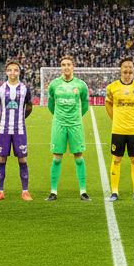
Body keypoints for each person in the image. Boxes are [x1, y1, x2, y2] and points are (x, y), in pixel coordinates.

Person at [45, 54, 91, 201]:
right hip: (58, 124)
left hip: (75, 125)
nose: (66, 67)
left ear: (73, 66)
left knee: (78, 157)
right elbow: (51, 104)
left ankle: (83, 192)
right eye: (63, 64)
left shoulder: (81, 85)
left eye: (68, 64)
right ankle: (53, 192)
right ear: (61, 67)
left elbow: (84, 105)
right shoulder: (54, 84)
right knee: (57, 157)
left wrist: (75, 117)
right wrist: (60, 117)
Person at [106, 58, 134, 202]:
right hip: (117, 130)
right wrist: (116, 119)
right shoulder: (112, 87)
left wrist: (133, 118)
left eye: (130, 70)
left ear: (133, 71)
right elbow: (108, 105)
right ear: (120, 70)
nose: (128, 72)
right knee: (116, 160)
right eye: (125, 69)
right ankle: (114, 192)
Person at [0, 60, 33, 201]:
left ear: (19, 72)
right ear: (6, 72)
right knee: (2, 158)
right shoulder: (0, 89)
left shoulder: (25, 89)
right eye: (10, 70)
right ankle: (0, 192)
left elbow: (29, 107)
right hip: (3, 129)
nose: (12, 72)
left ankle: (25, 191)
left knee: (22, 158)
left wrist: (20, 118)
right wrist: (4, 117)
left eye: (15, 70)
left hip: (19, 129)